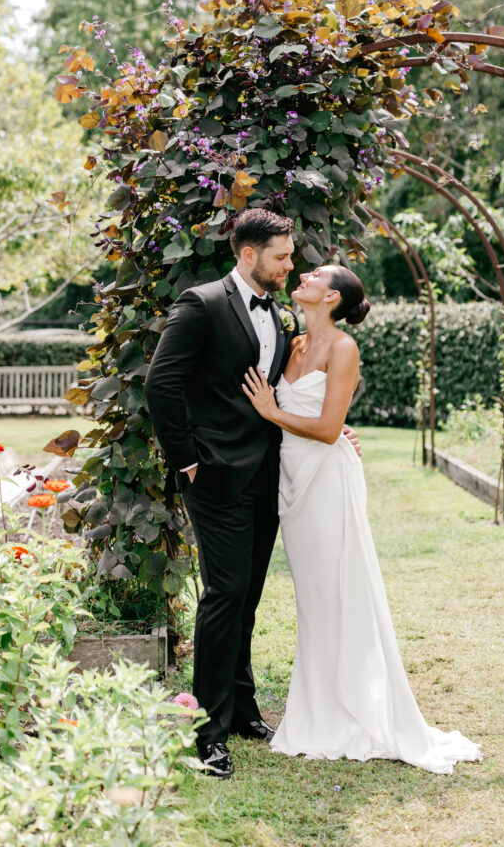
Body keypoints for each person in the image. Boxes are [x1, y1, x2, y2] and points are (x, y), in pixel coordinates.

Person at [144, 209, 361, 779]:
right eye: (283, 256)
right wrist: (188, 461)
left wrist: (331, 426)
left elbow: (285, 391)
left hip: (271, 473)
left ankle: (241, 710)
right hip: (214, 477)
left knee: (248, 596)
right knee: (225, 594)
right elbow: (160, 384)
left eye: (292, 257)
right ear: (249, 255)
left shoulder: (283, 314)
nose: (292, 265)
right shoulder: (201, 304)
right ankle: (207, 731)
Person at [242, 264, 483, 773]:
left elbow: (328, 430)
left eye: (312, 275)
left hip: (327, 482)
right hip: (294, 483)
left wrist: (272, 412)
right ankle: (318, 706)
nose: (301, 273)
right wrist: (295, 418)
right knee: (313, 598)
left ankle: (351, 709)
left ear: (330, 297)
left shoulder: (343, 348)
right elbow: (325, 414)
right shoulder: (294, 339)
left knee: (339, 591)